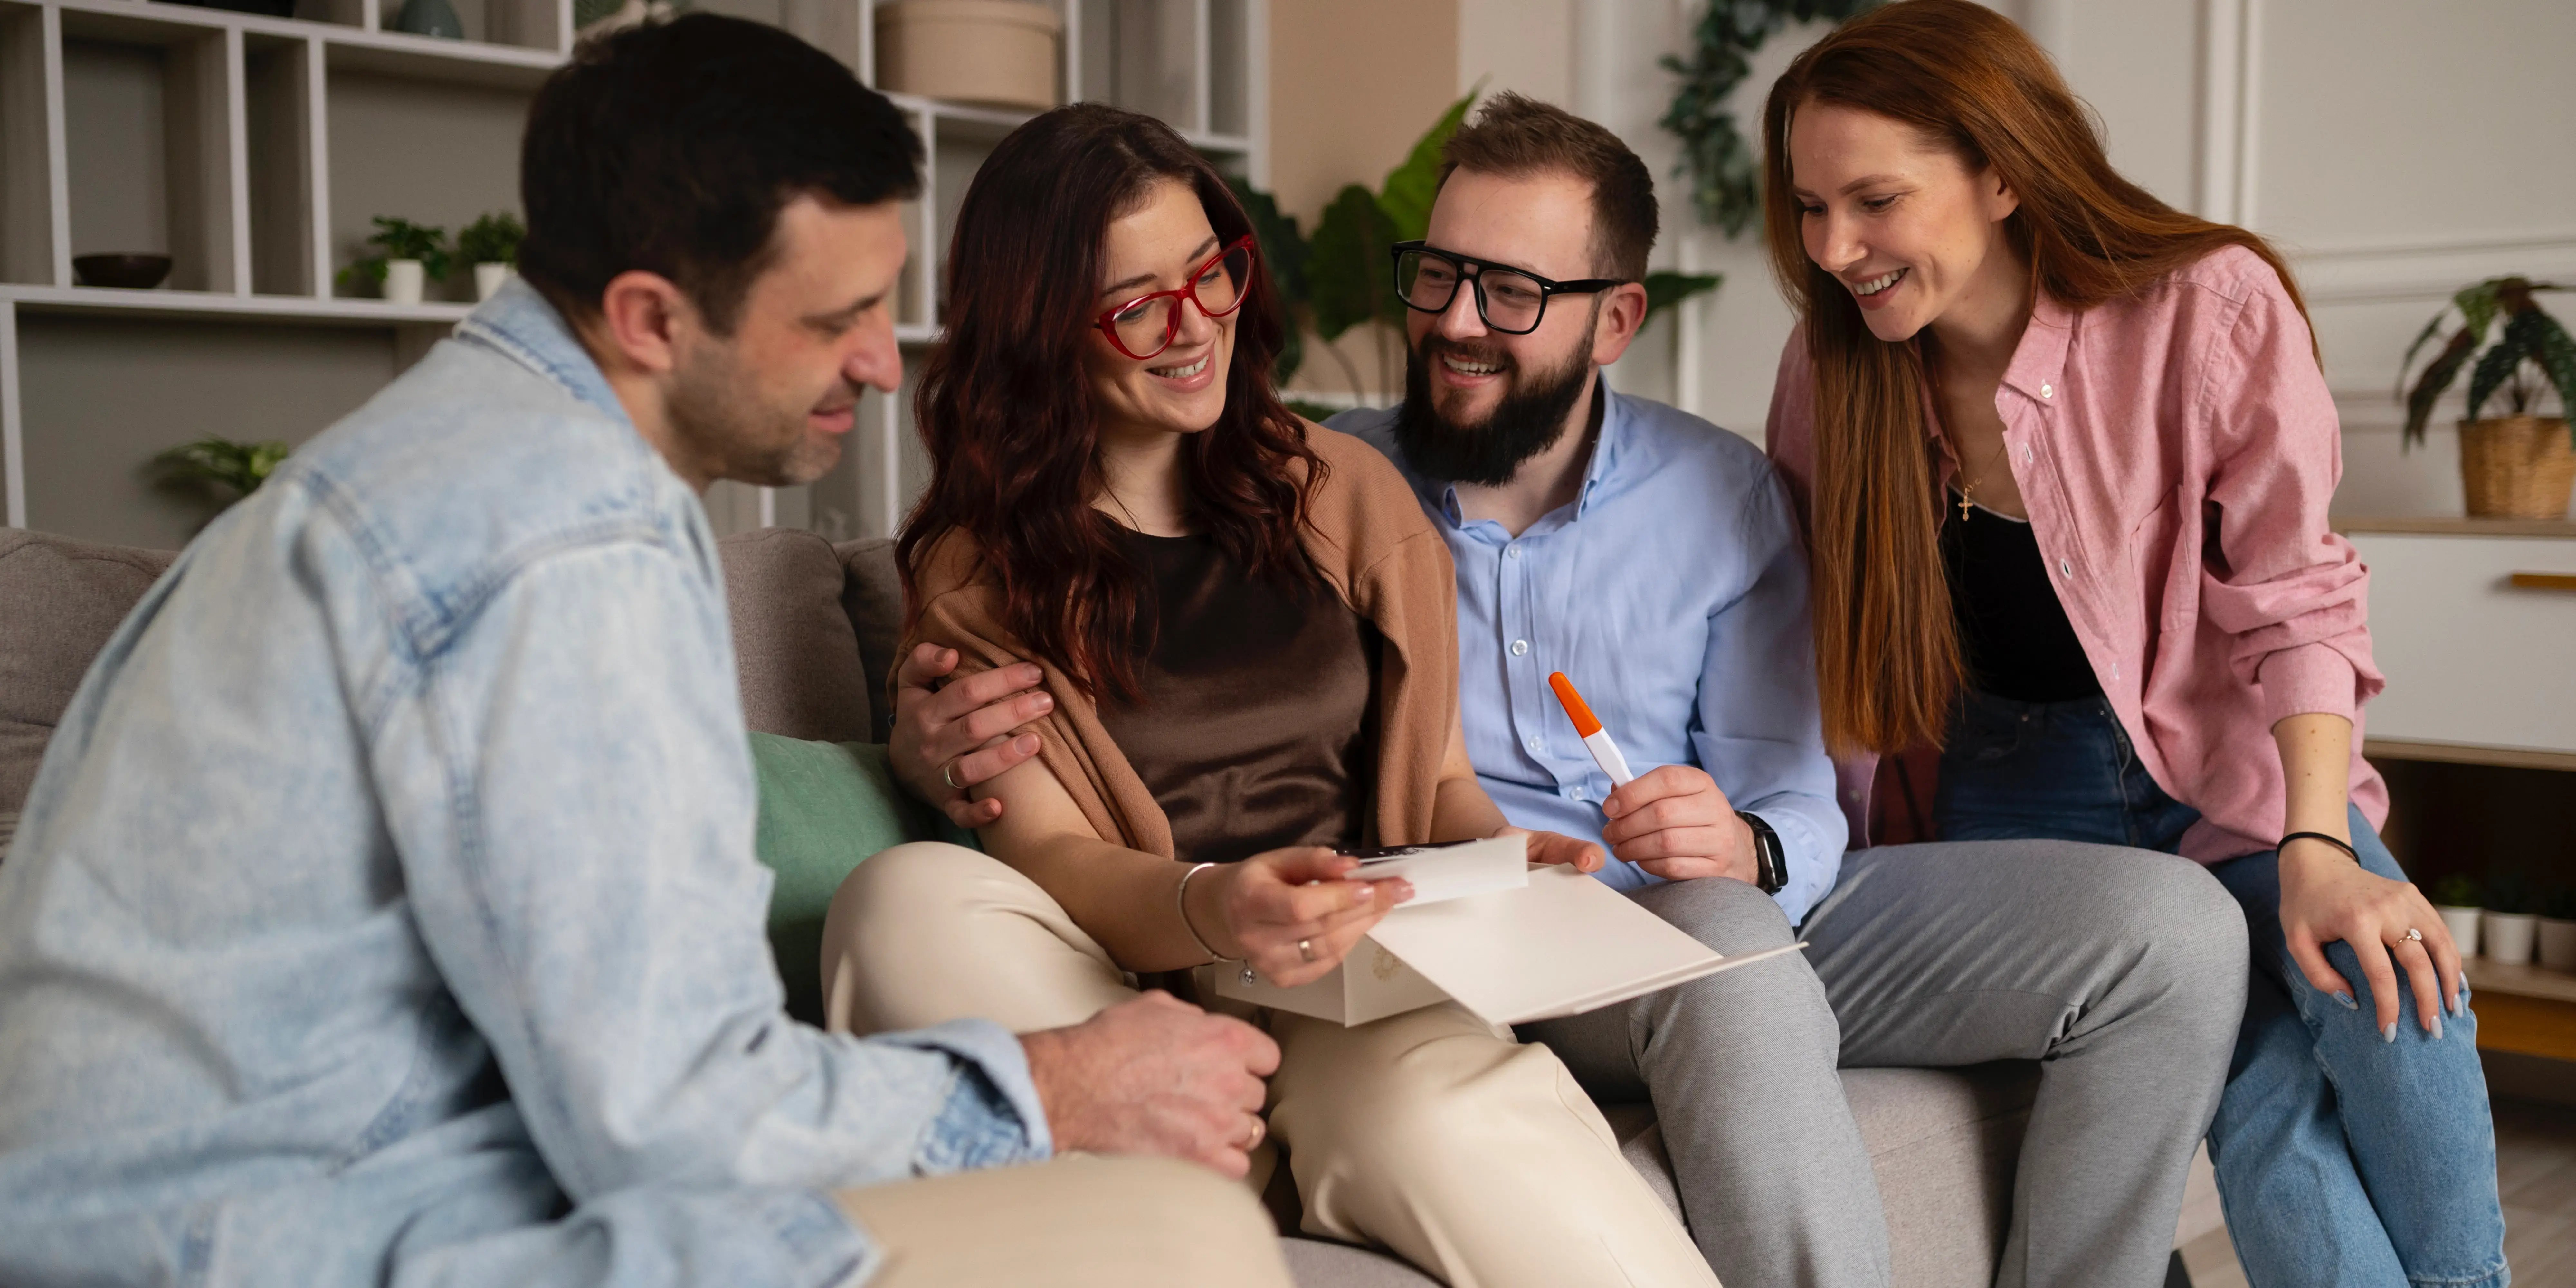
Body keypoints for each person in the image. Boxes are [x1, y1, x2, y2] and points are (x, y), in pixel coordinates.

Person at [0, 17, 1297, 1287]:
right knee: (1188, 1240)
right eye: (835, 317)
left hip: (260, 1191)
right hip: (278, 1234)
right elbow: (671, 1119)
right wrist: (1061, 1082)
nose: (879, 366)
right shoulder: (565, 549)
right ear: (649, 317)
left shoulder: (452, 451)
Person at [892, 91, 2250, 1288]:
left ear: (1614, 320)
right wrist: (917, 731)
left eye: (1510, 294)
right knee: (1726, 954)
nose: (1453, 326)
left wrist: (1749, 839)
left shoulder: (1704, 495)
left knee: (2173, 932)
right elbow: (1076, 669)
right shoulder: (1330, 474)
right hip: (1478, 934)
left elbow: (1785, 784)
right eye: (1435, 279)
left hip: (1708, 898)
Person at [813, 103, 1719, 1288]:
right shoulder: (981, 566)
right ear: (1042, 331)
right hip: (1124, 988)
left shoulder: (1345, 491)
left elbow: (1436, 782)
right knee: (906, 898)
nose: (1196, 328)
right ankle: (1188, 1176)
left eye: (1212, 274)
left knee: (1434, 1107)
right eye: (1138, 304)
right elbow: (1051, 860)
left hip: (1353, 987)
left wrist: (1508, 863)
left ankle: (1245, 1161)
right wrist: (1217, 904)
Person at [1759, 4, 2506, 1287]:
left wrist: (2316, 848)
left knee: (2394, 989)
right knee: (2268, 1113)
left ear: (1999, 170)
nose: (1833, 249)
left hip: (2234, 769)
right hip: (2011, 790)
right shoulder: (1833, 372)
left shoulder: (2202, 305)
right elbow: (1800, 631)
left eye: (1871, 201)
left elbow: (2296, 597)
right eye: (1809, 209)